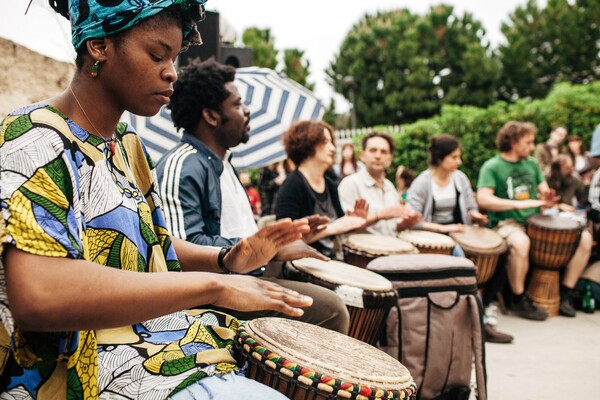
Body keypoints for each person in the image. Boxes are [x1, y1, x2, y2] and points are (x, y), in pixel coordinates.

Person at [0, 1, 312, 399]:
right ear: (98, 46)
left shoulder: (128, 144)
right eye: (156, 54)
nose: (171, 72)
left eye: (174, 57)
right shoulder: (31, 138)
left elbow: (150, 243)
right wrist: (213, 286)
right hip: (85, 371)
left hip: (160, 345)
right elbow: (39, 294)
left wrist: (227, 258)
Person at [156, 59, 350, 334]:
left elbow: (239, 231)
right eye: (237, 105)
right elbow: (179, 250)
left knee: (326, 286)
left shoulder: (224, 165)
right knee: (331, 310)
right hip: (215, 294)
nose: (246, 111)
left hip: (247, 273)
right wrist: (262, 250)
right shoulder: (184, 165)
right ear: (211, 116)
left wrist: (283, 236)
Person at [477, 121, 592, 320]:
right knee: (521, 243)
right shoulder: (493, 166)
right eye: (528, 142)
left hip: (537, 218)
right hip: (507, 223)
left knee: (585, 239)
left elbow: (543, 191)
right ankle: (519, 298)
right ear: (513, 142)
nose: (532, 147)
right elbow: (483, 198)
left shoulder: (531, 163)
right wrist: (516, 204)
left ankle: (565, 293)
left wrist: (548, 200)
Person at [404, 134, 513, 343]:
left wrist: (475, 216)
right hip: (435, 237)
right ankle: (480, 324)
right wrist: (444, 228)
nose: (458, 161)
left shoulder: (459, 178)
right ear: (440, 158)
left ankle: (487, 304)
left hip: (460, 231)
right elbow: (414, 220)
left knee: (501, 250)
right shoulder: (422, 183)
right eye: (454, 157)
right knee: (465, 265)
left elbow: (470, 206)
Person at [275, 120, 367, 259]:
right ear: (307, 143)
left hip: (331, 260)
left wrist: (353, 222)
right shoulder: (291, 186)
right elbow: (283, 243)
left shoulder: (330, 184)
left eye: (331, 142)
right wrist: (331, 228)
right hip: (302, 266)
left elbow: (338, 224)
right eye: (325, 141)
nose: (332, 148)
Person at [337, 132, 421, 237]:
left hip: (392, 248)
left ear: (390, 159)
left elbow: (392, 228)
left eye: (384, 152)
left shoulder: (390, 187)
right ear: (362, 156)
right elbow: (343, 227)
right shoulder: (350, 184)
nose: (378, 156)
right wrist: (379, 215)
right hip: (361, 251)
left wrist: (404, 224)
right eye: (373, 150)